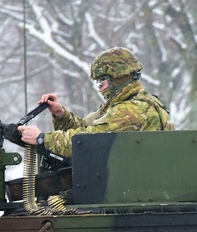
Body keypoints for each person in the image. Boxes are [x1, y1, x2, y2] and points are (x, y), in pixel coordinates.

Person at [18, 47, 174, 157]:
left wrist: (42, 139)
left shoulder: (132, 111)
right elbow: (88, 128)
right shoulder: (127, 103)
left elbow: (88, 142)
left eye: (102, 83)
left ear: (117, 78)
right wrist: (61, 115)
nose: (100, 90)